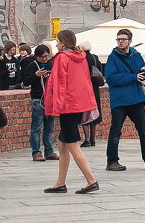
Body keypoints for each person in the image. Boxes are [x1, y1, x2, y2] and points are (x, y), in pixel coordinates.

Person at [43, 29, 100, 195]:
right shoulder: (81, 56)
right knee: (62, 144)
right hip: (79, 103)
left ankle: (91, 180)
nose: (56, 44)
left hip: (67, 105)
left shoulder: (62, 58)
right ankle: (60, 183)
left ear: (64, 42)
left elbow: (60, 83)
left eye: (58, 41)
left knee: (72, 145)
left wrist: (56, 106)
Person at [103, 29, 145, 171]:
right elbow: (111, 78)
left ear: (130, 41)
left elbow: (142, 75)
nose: (121, 41)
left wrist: (143, 72)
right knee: (115, 131)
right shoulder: (112, 58)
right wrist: (132, 77)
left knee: (143, 130)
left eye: (123, 39)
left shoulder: (136, 55)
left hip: (136, 99)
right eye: (118, 39)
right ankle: (112, 161)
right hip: (120, 100)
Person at [23, 45, 57, 162]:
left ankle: (49, 150)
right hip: (38, 98)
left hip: (50, 99)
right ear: (37, 56)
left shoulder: (51, 65)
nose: (45, 59)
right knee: (36, 126)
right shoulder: (31, 66)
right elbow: (25, 81)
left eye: (46, 56)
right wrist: (35, 76)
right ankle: (36, 151)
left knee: (50, 126)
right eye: (42, 57)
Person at [79, 41, 104, 148]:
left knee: (84, 113)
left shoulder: (81, 58)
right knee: (94, 112)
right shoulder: (94, 57)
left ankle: (87, 138)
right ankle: (93, 139)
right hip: (95, 88)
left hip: (84, 88)